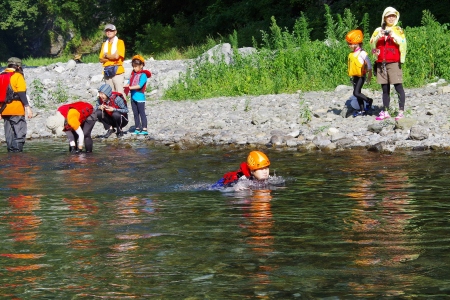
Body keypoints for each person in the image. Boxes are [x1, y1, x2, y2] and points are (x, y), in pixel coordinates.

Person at [370, 7, 407, 121]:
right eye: (388, 16)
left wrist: (394, 36)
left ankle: (401, 111)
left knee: (398, 87)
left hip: (394, 62)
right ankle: (386, 111)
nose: (391, 18)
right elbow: (372, 45)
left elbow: (403, 43)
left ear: (396, 17)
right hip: (381, 63)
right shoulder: (377, 30)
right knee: (384, 89)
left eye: (393, 16)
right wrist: (378, 37)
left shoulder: (398, 30)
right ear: (384, 17)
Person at [0, 57, 33, 152]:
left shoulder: (1, 75)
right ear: (18, 66)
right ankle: (18, 156)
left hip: (4, 110)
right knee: (19, 133)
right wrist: (27, 107)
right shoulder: (18, 76)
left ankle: (11, 155)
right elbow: (21, 93)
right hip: (16, 109)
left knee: (9, 135)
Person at [213, 151, 284, 191]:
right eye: (261, 169)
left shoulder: (269, 177)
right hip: (222, 183)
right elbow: (227, 190)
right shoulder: (243, 180)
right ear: (252, 171)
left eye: (266, 168)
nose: (265, 171)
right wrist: (235, 188)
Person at [345, 29, 373, 118]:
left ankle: (369, 100)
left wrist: (369, 76)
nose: (350, 46)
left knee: (356, 93)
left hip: (361, 76)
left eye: (351, 44)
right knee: (358, 94)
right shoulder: (352, 54)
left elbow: (369, 65)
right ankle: (362, 110)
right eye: (349, 44)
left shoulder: (362, 53)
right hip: (355, 76)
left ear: (357, 43)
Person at [124, 55, 152, 135]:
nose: (134, 68)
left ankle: (144, 128)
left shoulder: (143, 75)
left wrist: (129, 87)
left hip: (140, 98)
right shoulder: (133, 75)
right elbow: (129, 83)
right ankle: (137, 127)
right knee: (135, 113)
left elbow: (140, 85)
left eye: (136, 66)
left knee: (142, 113)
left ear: (141, 66)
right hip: (133, 98)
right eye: (133, 66)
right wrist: (125, 86)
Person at [99, 24, 125, 95]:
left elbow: (117, 57)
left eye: (111, 30)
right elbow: (101, 59)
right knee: (109, 94)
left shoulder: (120, 42)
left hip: (118, 72)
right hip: (107, 72)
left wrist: (106, 56)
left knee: (120, 93)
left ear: (115, 32)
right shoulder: (104, 44)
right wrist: (111, 57)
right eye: (107, 30)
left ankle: (122, 106)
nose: (109, 32)